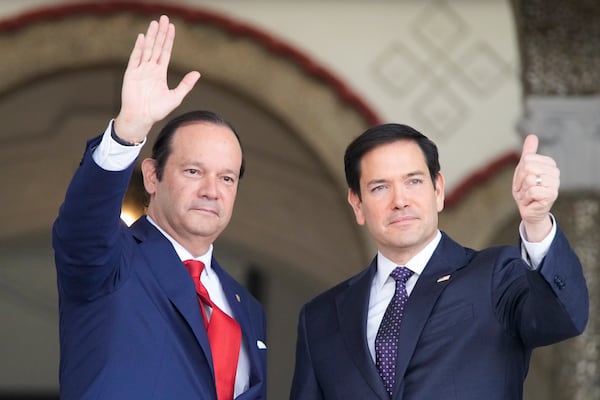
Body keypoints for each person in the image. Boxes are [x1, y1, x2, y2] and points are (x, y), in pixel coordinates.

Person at [289, 123, 589, 400]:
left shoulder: (495, 275)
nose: (400, 200)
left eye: (414, 181)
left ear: (438, 189)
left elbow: (564, 318)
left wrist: (537, 224)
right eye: (380, 187)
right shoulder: (320, 317)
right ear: (357, 204)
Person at [52, 16, 266, 400]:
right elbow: (82, 225)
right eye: (193, 170)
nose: (211, 190)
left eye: (227, 178)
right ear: (152, 176)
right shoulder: (111, 261)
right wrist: (128, 131)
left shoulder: (244, 305)